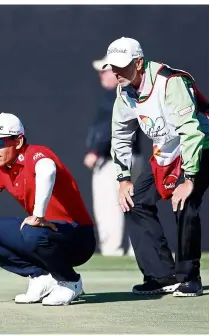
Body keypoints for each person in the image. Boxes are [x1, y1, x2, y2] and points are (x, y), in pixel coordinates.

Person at [0, 112, 96, 306]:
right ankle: (40, 276)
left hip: (77, 238)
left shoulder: (36, 153)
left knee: (32, 231)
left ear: (18, 141)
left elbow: (47, 169)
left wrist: (38, 216)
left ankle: (70, 281)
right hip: (43, 235)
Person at [102, 37, 209, 296]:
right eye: (112, 66)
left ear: (139, 63)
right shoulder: (124, 90)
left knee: (185, 202)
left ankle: (189, 278)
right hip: (165, 151)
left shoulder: (170, 82)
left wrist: (190, 178)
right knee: (134, 202)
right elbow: (120, 134)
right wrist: (123, 178)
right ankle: (162, 275)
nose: (115, 72)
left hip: (200, 145)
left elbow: (191, 132)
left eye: (121, 66)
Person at [84, 56, 143, 257]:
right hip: (134, 157)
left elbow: (109, 127)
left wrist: (95, 151)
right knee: (136, 204)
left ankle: (113, 253)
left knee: (109, 206)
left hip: (113, 161)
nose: (101, 75)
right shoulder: (133, 92)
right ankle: (139, 250)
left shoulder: (115, 95)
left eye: (104, 70)